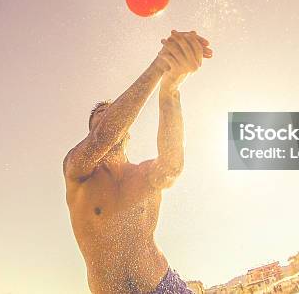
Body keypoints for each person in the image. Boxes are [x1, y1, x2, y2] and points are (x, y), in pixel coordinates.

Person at [63, 30, 213, 294]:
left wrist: (170, 88)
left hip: (164, 286)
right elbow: (104, 136)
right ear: (90, 132)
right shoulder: (77, 170)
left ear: (128, 129)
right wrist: (159, 65)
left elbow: (171, 167)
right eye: (100, 116)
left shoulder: (143, 174)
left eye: (113, 113)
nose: (108, 117)